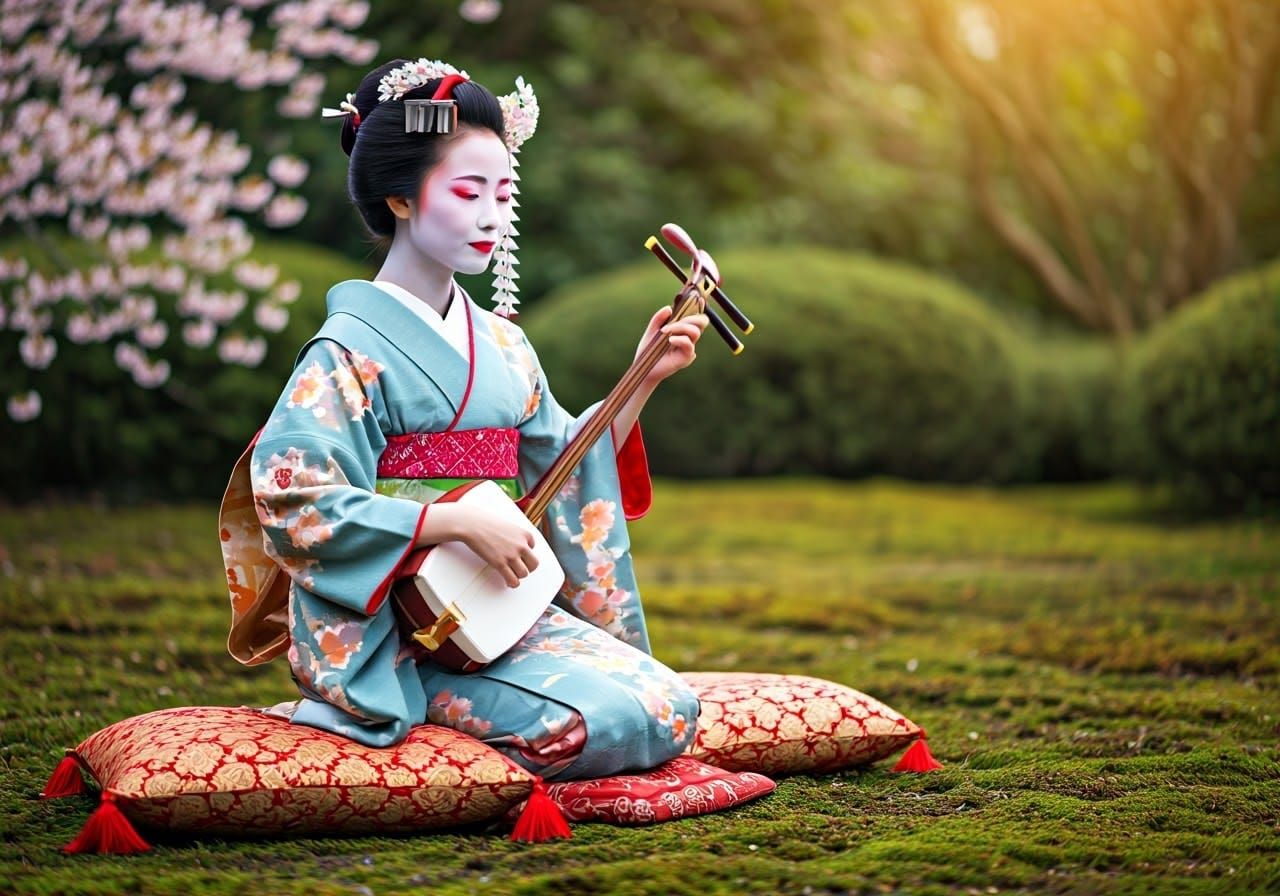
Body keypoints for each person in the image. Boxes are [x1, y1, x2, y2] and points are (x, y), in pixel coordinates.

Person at [217, 58, 709, 782]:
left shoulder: (505, 345)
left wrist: (643, 376)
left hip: (493, 610)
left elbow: (562, 465)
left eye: (503, 194)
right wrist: (450, 523)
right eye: (468, 191)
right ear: (401, 197)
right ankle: (396, 711)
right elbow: (298, 500)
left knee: (669, 705)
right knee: (606, 721)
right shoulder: (345, 351)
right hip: (391, 632)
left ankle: (483, 721)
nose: (491, 216)